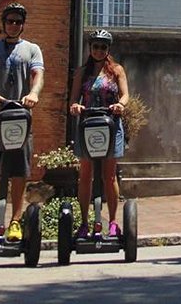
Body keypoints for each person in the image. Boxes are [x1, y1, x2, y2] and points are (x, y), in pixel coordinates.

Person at [0, 2, 45, 241]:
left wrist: (34, 93)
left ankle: (15, 222)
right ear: (3, 24)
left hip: (20, 120)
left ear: (23, 25)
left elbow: (38, 75)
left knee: (18, 172)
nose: (14, 25)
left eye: (18, 21)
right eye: (10, 21)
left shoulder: (32, 49)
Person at [69, 29, 129, 238]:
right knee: (85, 176)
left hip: (111, 125)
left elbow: (125, 95)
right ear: (90, 48)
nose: (99, 50)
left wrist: (120, 105)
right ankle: (85, 223)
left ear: (108, 49)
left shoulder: (117, 70)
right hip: (88, 127)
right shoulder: (81, 72)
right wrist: (75, 106)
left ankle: (112, 222)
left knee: (109, 175)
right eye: (95, 46)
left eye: (103, 47)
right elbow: (74, 99)